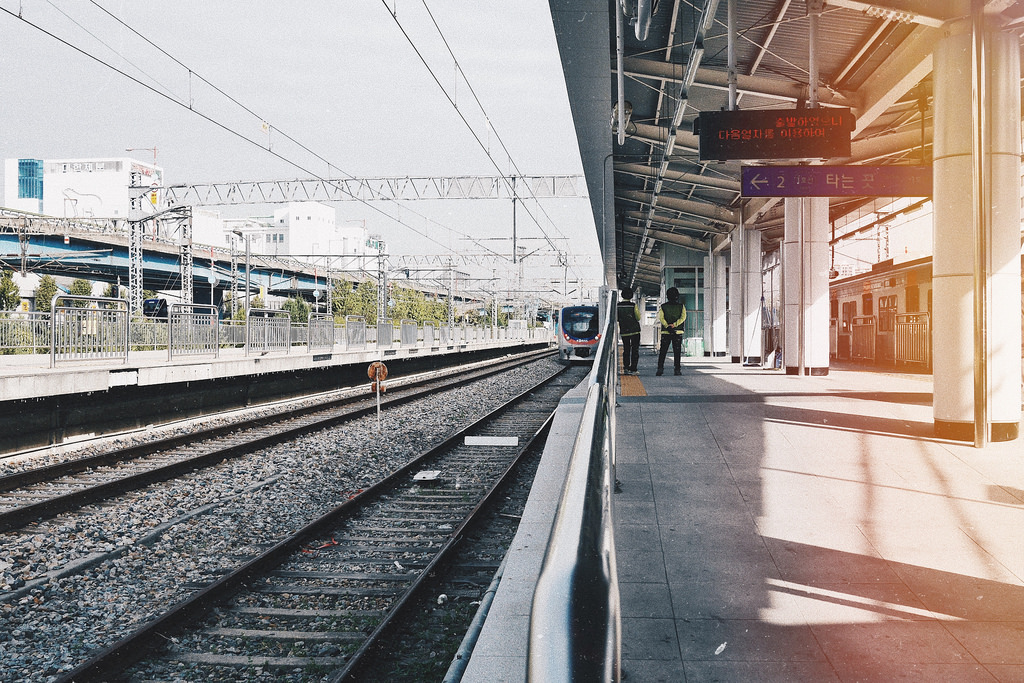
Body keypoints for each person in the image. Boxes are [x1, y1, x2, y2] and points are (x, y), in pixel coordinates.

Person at [656, 287, 686, 376]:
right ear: (677, 296)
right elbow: (683, 317)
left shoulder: (663, 306)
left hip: (666, 332)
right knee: (677, 352)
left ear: (667, 296)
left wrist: (667, 326)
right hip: (678, 332)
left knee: (663, 351)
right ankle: (677, 369)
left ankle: (660, 369)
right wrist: (675, 324)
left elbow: (661, 317)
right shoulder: (681, 306)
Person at [616, 287, 641, 375]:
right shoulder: (633, 305)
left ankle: (626, 368)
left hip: (624, 331)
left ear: (622, 295)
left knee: (626, 349)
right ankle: (633, 369)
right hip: (635, 331)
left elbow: (617, 318)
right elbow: (638, 317)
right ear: (631, 296)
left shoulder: (618, 306)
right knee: (635, 349)